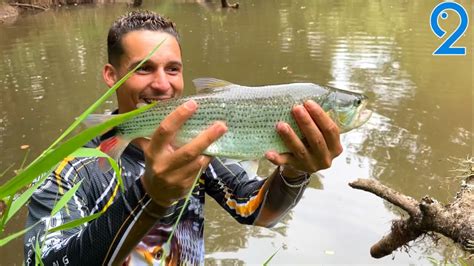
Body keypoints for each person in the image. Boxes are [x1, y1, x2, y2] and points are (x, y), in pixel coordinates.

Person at [24, 10, 342, 265]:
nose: (163, 85)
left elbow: (256, 210)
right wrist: (150, 195)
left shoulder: (197, 141)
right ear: (111, 75)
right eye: (144, 69)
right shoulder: (68, 168)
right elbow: (45, 260)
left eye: (173, 69)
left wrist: (295, 171)